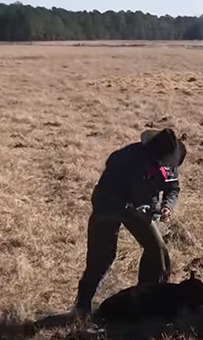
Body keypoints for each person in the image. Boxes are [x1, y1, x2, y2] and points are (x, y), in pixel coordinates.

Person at [72, 127, 187, 317]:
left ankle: (147, 302)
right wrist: (129, 210)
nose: (166, 164)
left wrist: (167, 206)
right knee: (101, 258)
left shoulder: (170, 156)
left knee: (157, 251)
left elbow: (173, 188)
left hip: (143, 210)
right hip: (109, 208)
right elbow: (103, 196)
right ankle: (82, 306)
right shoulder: (122, 159)